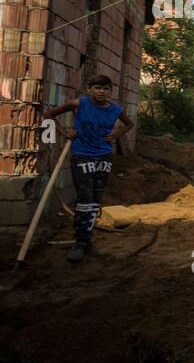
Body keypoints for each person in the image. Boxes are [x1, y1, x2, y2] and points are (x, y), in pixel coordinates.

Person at [43, 74, 134, 262]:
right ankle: (80, 241)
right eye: (97, 88)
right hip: (82, 154)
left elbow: (129, 124)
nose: (101, 92)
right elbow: (49, 115)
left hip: (104, 156)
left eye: (105, 88)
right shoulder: (79, 104)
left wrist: (116, 134)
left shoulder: (116, 109)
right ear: (90, 89)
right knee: (84, 198)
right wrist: (64, 132)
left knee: (95, 199)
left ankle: (87, 240)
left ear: (110, 91)